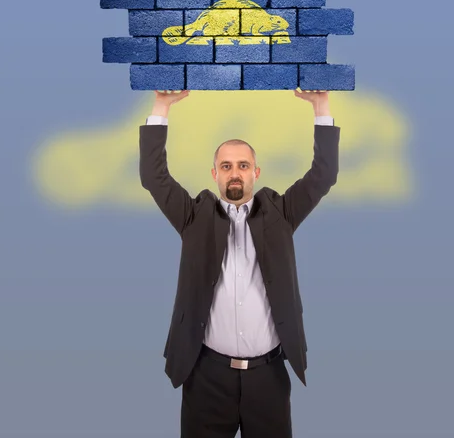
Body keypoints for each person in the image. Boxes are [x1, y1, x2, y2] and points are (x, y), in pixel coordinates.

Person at [139, 88, 340, 438]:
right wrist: (162, 105)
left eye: (243, 166)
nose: (235, 173)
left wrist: (320, 106)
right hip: (206, 377)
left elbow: (322, 176)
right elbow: (154, 177)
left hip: (269, 378)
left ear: (256, 172)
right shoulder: (193, 216)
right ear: (214, 173)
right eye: (227, 166)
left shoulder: (281, 212)